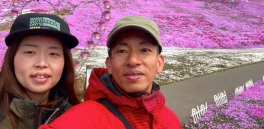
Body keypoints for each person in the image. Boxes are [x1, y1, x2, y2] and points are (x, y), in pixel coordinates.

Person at [39, 16, 182, 129]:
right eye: (122, 51)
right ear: (109, 65)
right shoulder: (87, 117)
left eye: (144, 50)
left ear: (159, 63)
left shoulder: (170, 118)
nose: (132, 60)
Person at [0, 13, 80, 129]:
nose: (42, 63)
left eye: (53, 54)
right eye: (30, 52)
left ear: (65, 63)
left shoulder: (78, 118)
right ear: (12, 58)